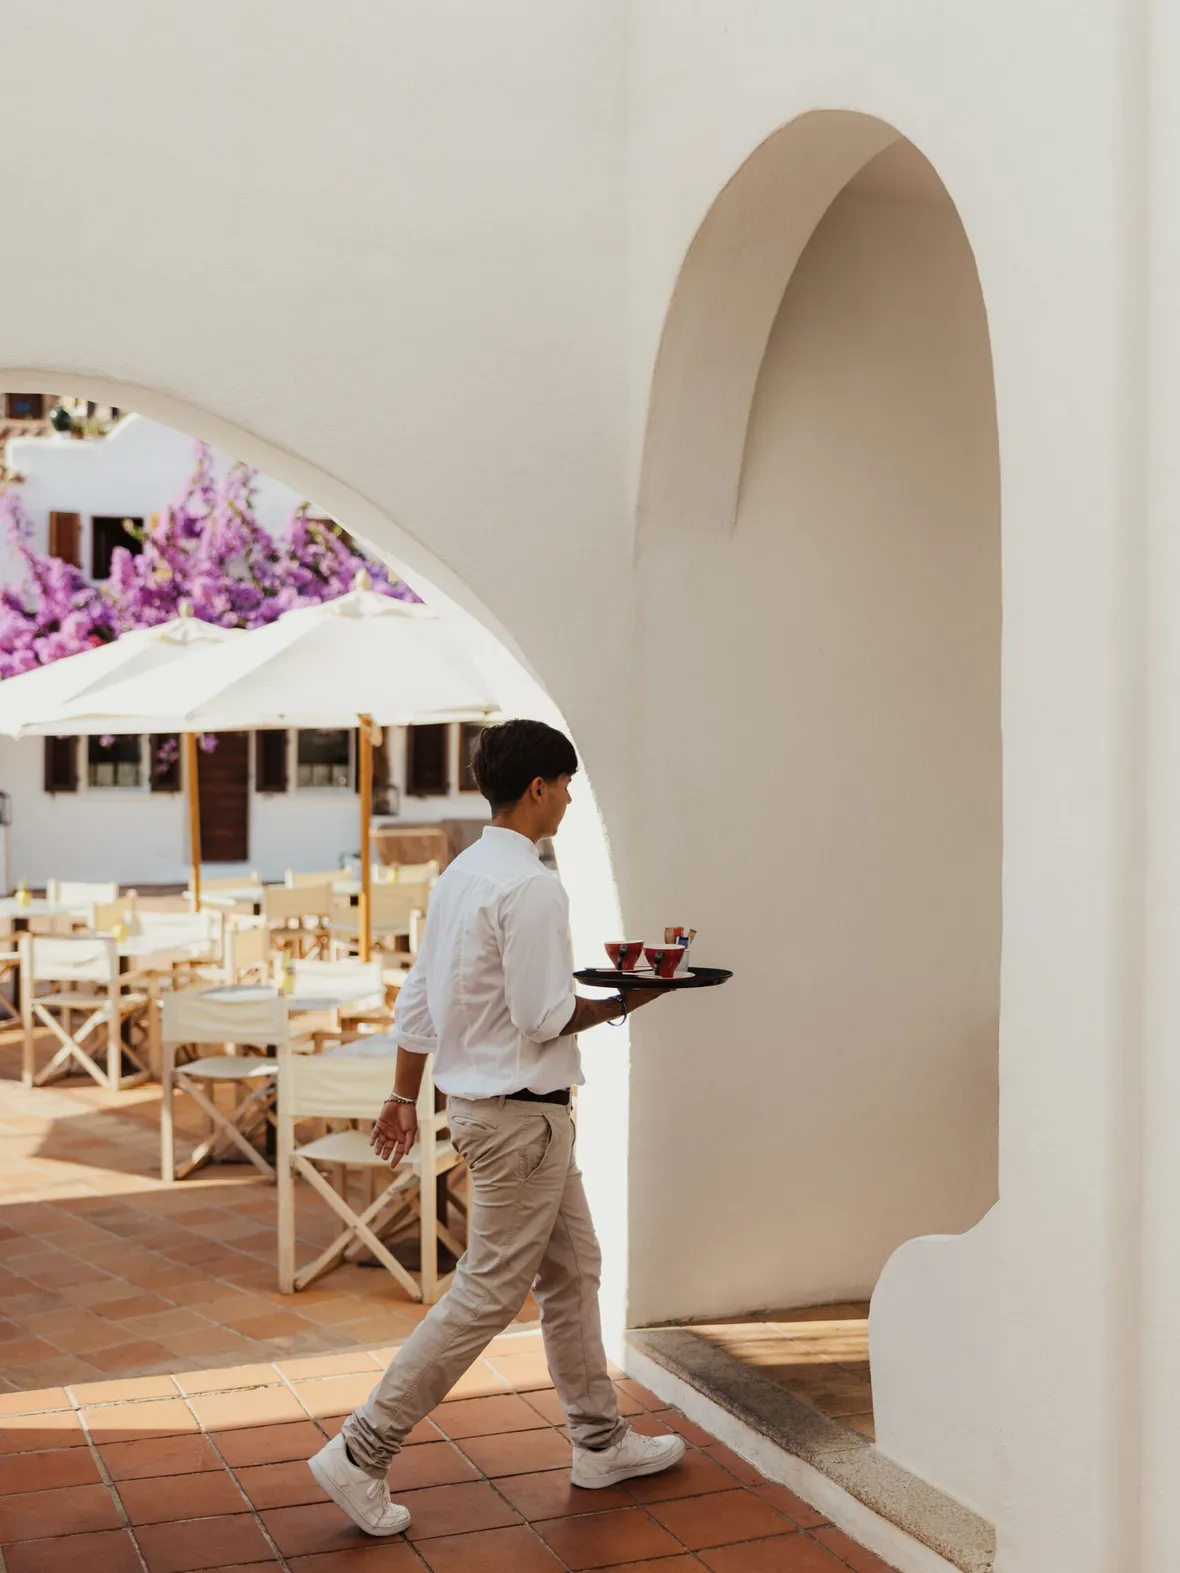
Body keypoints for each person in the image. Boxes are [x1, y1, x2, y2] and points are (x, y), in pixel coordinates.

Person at [309, 718, 682, 1536]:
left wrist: (402, 1095)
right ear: (539, 787)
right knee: (487, 1292)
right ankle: (361, 1449)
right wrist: (628, 1000)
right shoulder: (532, 885)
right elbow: (544, 1015)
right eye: (567, 785)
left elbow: (419, 995)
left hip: (496, 1113)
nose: (571, 800)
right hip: (521, 1121)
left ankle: (599, 1442)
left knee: (574, 1269)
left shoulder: (461, 874)